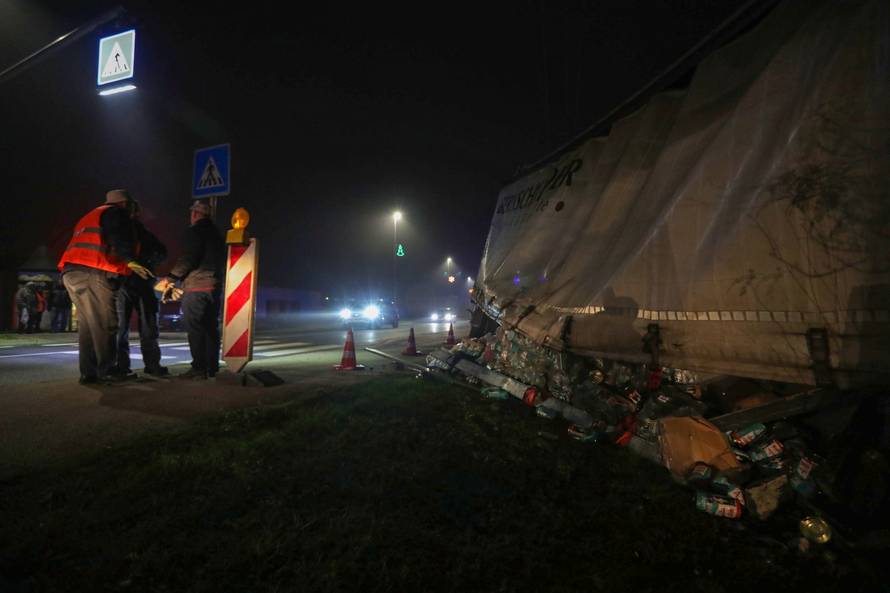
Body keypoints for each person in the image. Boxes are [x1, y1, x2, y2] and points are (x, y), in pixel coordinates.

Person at [57, 189, 153, 384]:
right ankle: (109, 370)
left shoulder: (91, 215)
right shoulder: (116, 214)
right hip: (93, 272)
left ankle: (89, 373)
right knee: (106, 323)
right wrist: (130, 260)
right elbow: (118, 236)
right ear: (125, 204)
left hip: (71, 273)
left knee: (88, 326)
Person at [156, 200, 225, 379]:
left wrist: (171, 279)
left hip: (197, 286)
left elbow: (188, 258)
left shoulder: (194, 232)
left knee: (195, 327)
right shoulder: (218, 235)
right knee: (211, 327)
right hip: (214, 287)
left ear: (195, 214)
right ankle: (212, 367)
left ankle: (198, 368)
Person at [112, 200, 169, 377]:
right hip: (142, 282)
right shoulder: (144, 232)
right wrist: (149, 264)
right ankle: (152, 366)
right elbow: (162, 252)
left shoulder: (121, 230)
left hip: (124, 282)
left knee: (121, 327)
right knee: (147, 325)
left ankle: (121, 367)